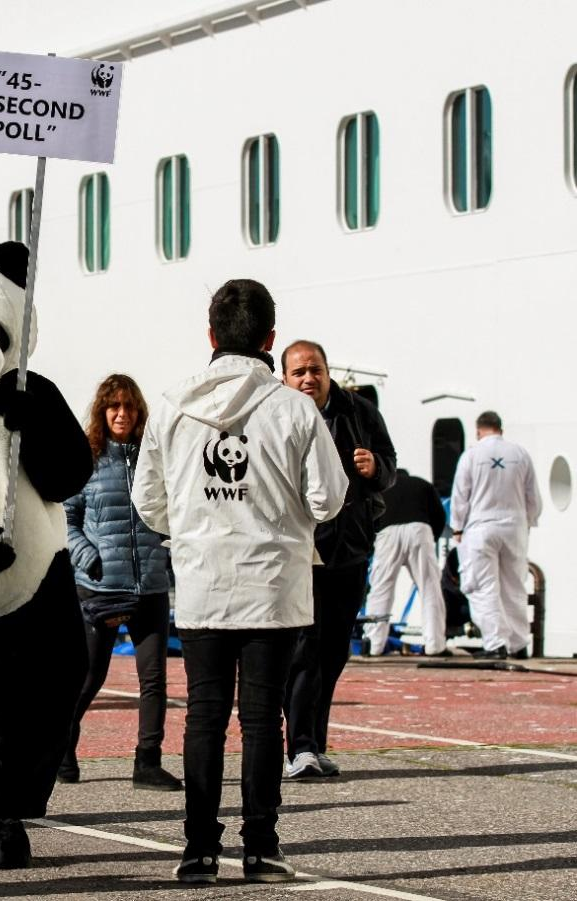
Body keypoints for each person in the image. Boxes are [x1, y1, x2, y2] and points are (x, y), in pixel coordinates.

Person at [134, 279, 347, 885]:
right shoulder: (294, 407)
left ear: (211, 335)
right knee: (261, 720)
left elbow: (147, 500)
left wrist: (195, 527)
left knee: (203, 716)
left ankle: (198, 849)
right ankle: (262, 848)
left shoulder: (172, 404)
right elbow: (329, 499)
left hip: (202, 582)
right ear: (270, 339)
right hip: (273, 585)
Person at [281, 341, 396, 781]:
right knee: (304, 651)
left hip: (350, 547)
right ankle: (300, 747)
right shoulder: (278, 414)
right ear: (285, 378)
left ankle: (315, 744)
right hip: (302, 550)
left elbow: (390, 465)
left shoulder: (360, 411)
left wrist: (375, 468)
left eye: (315, 370)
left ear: (328, 373)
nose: (308, 378)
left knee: (332, 653)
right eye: (299, 372)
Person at [60, 373, 180, 791]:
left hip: (149, 587)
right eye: (114, 406)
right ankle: (62, 745)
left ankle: (147, 761)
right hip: (100, 588)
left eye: (129, 406)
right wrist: (87, 555)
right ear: (102, 411)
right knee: (90, 676)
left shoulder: (155, 459)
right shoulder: (87, 460)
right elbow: (65, 520)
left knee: (154, 680)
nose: (122, 414)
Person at [450, 411, 541, 659]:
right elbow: (533, 495)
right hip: (514, 527)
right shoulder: (520, 454)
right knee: (514, 586)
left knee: (483, 587)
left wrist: (457, 527)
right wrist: (528, 523)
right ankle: (519, 645)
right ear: (500, 428)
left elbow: (461, 495)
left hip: (481, 528)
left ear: (479, 430)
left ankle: (495, 644)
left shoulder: (471, 455)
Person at [364, 468, 449, 656]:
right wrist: (431, 540)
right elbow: (440, 515)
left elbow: (369, 516)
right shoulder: (422, 484)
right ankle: (435, 645)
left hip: (387, 533)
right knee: (430, 588)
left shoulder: (381, 488)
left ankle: (374, 645)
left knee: (381, 589)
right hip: (419, 530)